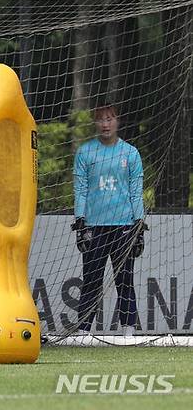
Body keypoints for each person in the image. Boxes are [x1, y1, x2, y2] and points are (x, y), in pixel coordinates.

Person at [71, 104, 148, 337]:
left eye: (110, 119)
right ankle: (84, 331)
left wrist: (139, 225)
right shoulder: (85, 153)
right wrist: (80, 221)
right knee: (92, 279)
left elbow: (136, 192)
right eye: (101, 120)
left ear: (117, 122)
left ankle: (128, 329)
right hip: (94, 226)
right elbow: (81, 190)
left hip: (124, 225)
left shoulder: (131, 153)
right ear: (95, 124)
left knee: (124, 278)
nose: (105, 124)